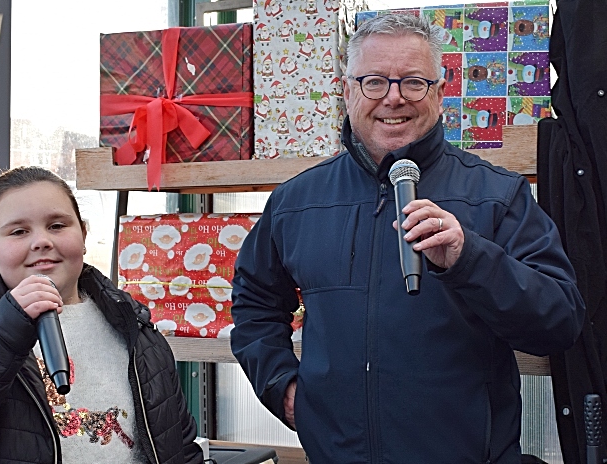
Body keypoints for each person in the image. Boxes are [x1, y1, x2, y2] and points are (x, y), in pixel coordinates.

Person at [230, 13, 585, 464]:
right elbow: (254, 301)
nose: (393, 98)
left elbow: (560, 321)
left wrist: (468, 258)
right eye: (374, 81)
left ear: (439, 93)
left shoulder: (496, 195)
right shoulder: (298, 201)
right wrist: (281, 386)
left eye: (413, 82)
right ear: (347, 91)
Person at [0, 166, 203, 464]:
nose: (41, 241)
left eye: (57, 226)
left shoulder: (134, 326)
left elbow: (180, 447)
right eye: (19, 231)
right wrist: (2, 332)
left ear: (83, 234)